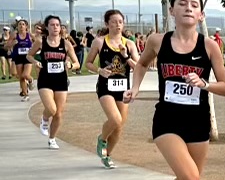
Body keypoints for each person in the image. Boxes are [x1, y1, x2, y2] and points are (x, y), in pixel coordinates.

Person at [123, 0, 225, 180]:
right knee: (189, 177)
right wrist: (134, 88)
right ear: (171, 10)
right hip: (167, 119)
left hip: (197, 121)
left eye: (194, 4)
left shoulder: (209, 46)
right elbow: (141, 64)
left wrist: (204, 83)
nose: (188, 8)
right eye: (182, 3)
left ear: (201, 14)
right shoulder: (158, 41)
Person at [85, 10, 140, 169]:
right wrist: (99, 70)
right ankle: (102, 139)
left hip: (123, 88)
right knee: (115, 119)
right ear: (107, 24)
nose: (117, 25)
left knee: (119, 126)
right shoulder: (99, 42)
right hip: (105, 87)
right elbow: (88, 63)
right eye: (114, 22)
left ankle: (107, 155)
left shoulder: (129, 44)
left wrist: (126, 56)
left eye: (120, 22)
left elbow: (138, 67)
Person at [27, 16, 79, 149]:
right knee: (51, 109)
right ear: (47, 27)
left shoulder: (66, 44)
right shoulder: (41, 41)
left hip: (61, 80)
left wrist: (71, 65)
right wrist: (35, 62)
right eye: (52, 25)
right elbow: (29, 55)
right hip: (45, 79)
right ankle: (44, 120)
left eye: (57, 25)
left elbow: (77, 63)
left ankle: (52, 138)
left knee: (59, 113)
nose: (55, 27)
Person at [6, 19, 34, 101]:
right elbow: (6, 46)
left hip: (28, 57)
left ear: (26, 26)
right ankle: (26, 95)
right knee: (21, 77)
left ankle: (30, 80)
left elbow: (38, 42)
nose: (21, 26)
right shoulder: (14, 35)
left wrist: (34, 49)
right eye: (19, 24)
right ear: (17, 27)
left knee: (25, 75)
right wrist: (12, 43)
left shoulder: (29, 35)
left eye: (23, 24)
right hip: (18, 57)